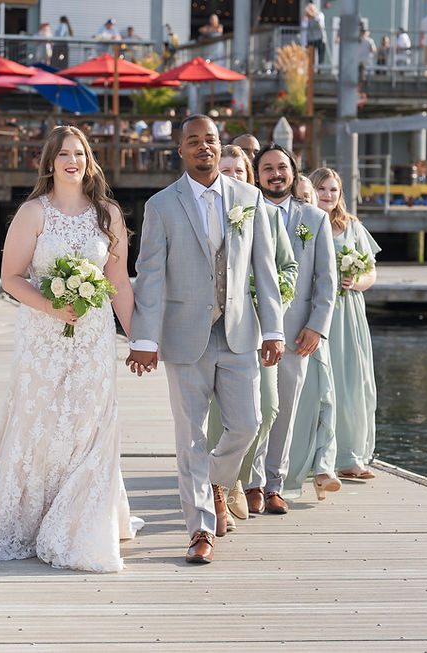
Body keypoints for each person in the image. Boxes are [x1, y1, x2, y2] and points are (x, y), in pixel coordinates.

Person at [0, 125, 141, 572]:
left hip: (92, 339)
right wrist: (51, 306)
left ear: (89, 161)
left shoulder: (108, 213)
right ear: (49, 162)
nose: (72, 161)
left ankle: (81, 522)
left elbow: (118, 281)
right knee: (40, 425)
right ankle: (29, 519)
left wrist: (137, 336)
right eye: (63, 154)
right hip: (42, 338)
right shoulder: (33, 212)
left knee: (89, 426)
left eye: (80, 153)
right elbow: (10, 278)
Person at [127, 115, 285, 564]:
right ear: (180, 149)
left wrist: (273, 328)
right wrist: (144, 338)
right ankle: (199, 528)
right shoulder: (162, 205)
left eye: (210, 140)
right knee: (190, 435)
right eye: (193, 141)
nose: (203, 147)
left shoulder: (250, 198)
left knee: (248, 423)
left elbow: (265, 270)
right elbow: (150, 276)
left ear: (221, 146)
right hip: (183, 336)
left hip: (239, 333)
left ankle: (215, 479)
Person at [206, 145, 298, 529]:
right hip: (214, 330)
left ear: (248, 174)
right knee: (221, 415)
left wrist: (274, 299)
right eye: (224, 170)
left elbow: (286, 266)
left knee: (268, 408)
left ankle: (229, 478)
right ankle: (225, 489)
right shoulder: (209, 210)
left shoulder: (264, 211)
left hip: (258, 329)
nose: (232, 176)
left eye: (238, 170)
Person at [245, 143, 336, 515]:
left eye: (281, 167)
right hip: (247, 329)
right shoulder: (243, 213)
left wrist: (317, 326)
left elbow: (326, 279)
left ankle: (273, 485)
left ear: (294, 173)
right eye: (267, 168)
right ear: (257, 174)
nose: (275, 173)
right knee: (251, 409)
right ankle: (249, 482)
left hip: (298, 331)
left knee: (284, 408)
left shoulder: (313, 218)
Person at [310, 167, 380, 481]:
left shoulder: (352, 227)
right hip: (316, 312)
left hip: (348, 312)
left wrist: (356, 282)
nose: (328, 195)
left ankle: (351, 456)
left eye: (333, 190)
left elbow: (372, 273)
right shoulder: (304, 223)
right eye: (322, 188)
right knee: (321, 384)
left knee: (352, 381)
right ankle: (315, 456)